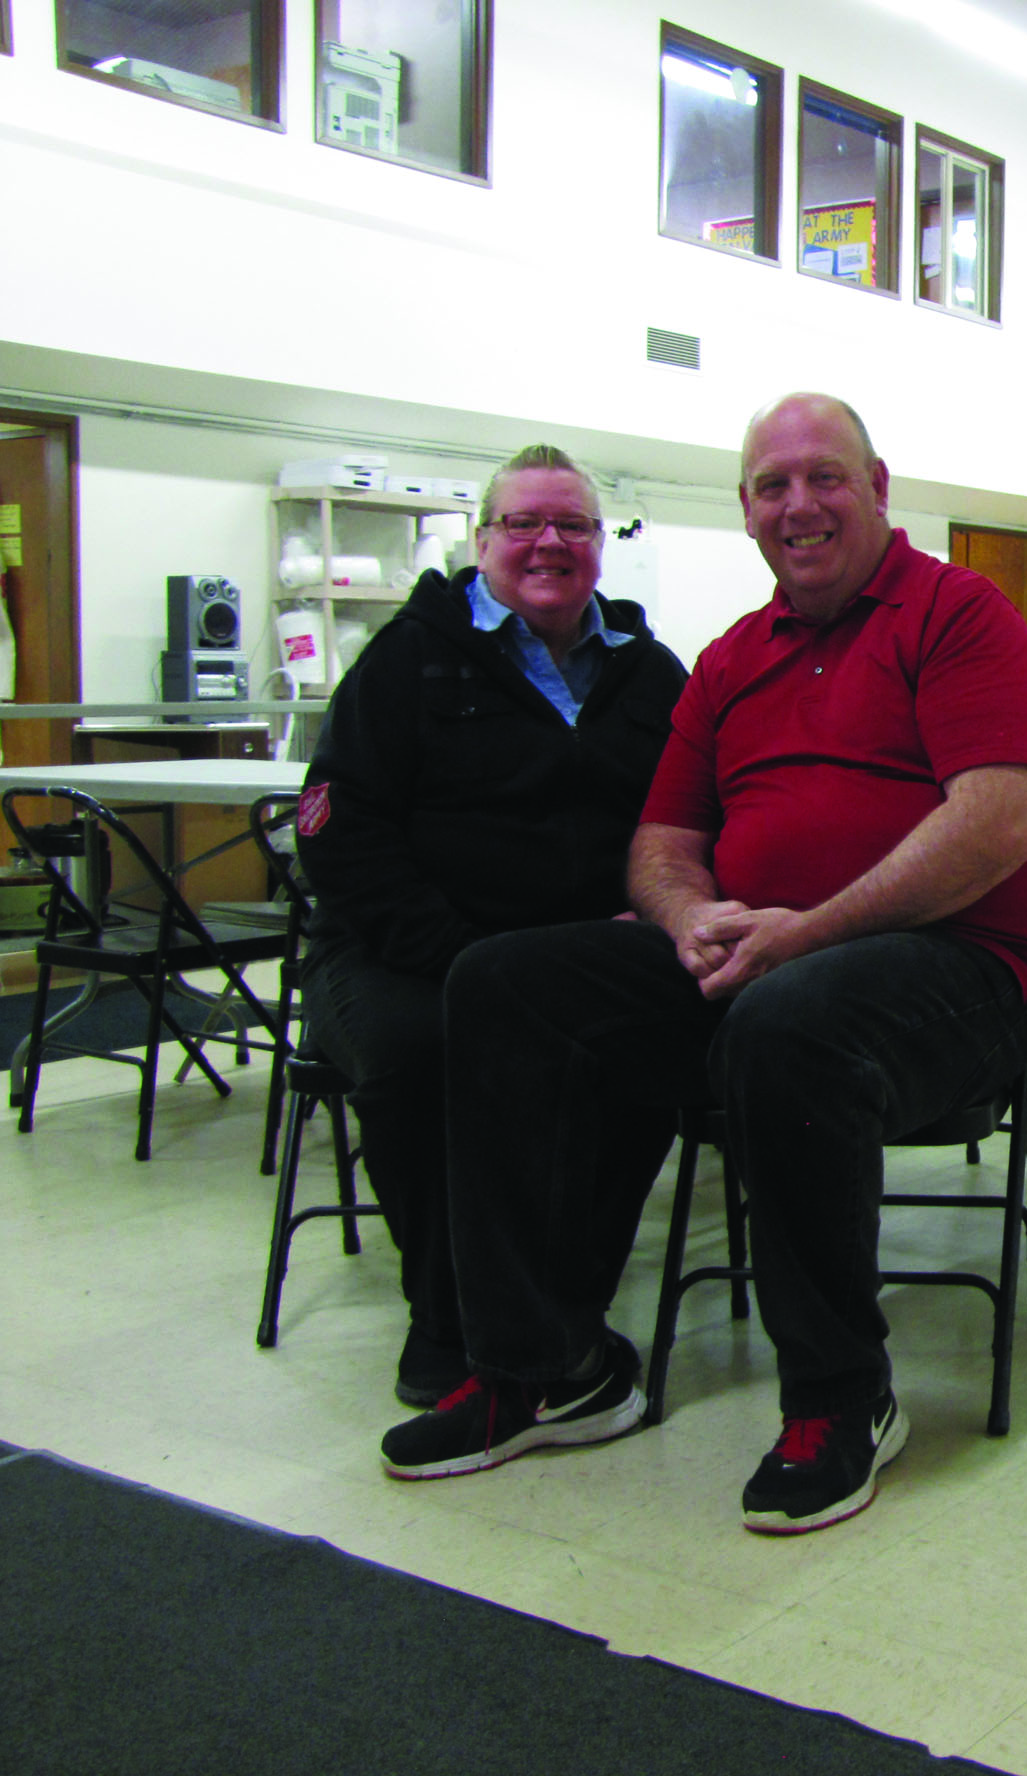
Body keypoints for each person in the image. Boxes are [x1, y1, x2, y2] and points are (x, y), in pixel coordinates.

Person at [376, 393, 1027, 1536]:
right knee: (502, 985)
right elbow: (661, 841)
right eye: (770, 486)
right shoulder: (730, 659)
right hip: (764, 960)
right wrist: (691, 916)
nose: (799, 504)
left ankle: (842, 1400)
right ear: (745, 510)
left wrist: (804, 931)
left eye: (824, 477)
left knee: (789, 1017)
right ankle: (550, 1365)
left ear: (878, 484)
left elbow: (997, 822)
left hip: (957, 975)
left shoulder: (961, 615)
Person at [297, 446, 688, 1408]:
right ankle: (450, 1321)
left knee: (650, 1045)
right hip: (405, 952)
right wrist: (464, 957)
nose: (548, 542)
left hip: (569, 958)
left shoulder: (650, 673)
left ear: (600, 546)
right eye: (524, 524)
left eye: (574, 526)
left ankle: (562, 1304)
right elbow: (340, 833)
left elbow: (693, 815)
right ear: (483, 541)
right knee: (423, 1054)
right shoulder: (409, 658)